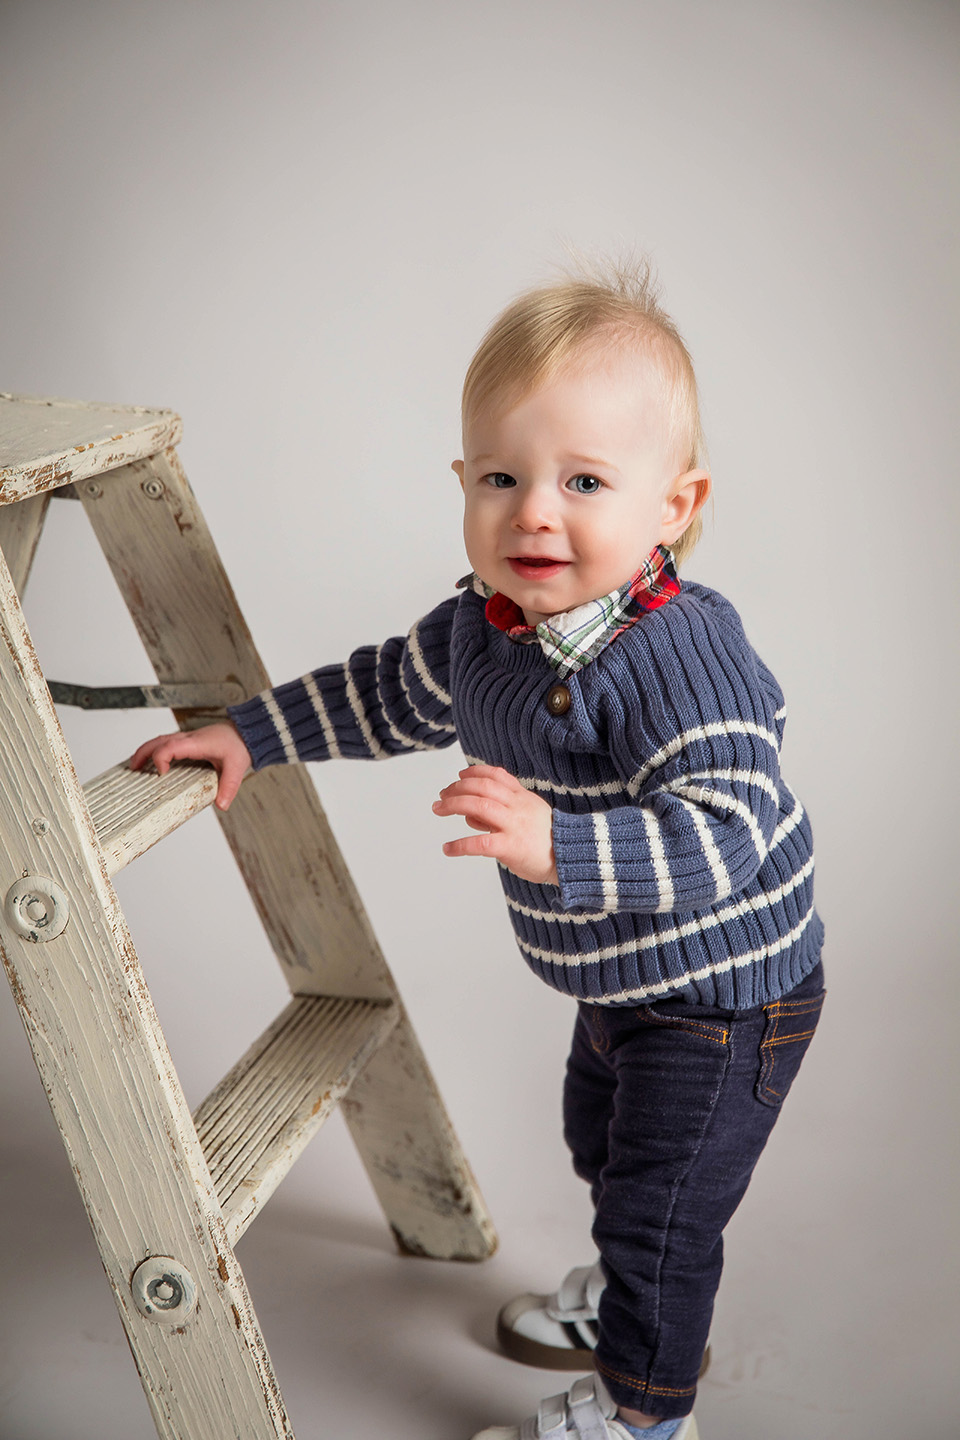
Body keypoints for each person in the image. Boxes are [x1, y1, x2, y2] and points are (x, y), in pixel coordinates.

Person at [131, 259, 825, 1440]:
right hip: (622, 983)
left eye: (586, 481)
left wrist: (560, 842)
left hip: (727, 997)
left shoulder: (680, 658)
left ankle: (647, 1413)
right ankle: (633, 1296)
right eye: (502, 477)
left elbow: (727, 832)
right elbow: (382, 694)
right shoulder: (485, 632)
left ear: (675, 506)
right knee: (599, 1143)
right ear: (463, 481)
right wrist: (253, 734)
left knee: (663, 1207)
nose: (534, 512)